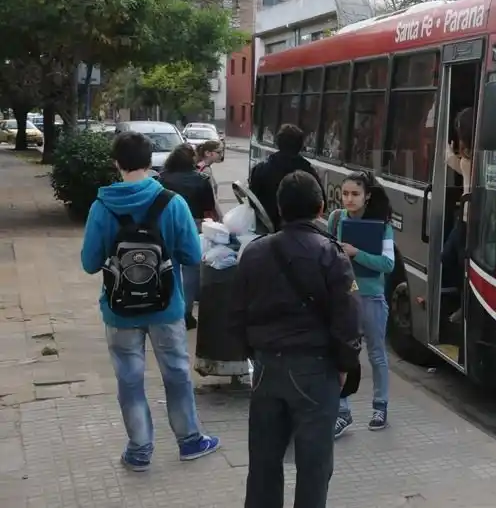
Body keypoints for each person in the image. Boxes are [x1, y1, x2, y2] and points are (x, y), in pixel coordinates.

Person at [80, 131, 220, 471]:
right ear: (149, 161)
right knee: (176, 373)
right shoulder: (172, 203)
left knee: (129, 379)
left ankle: (139, 450)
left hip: (119, 309)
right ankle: (189, 440)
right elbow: (191, 255)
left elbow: (89, 263)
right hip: (166, 306)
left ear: (116, 163)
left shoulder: (102, 207)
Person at [228, 170, 362, 508]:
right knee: (314, 465)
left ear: (279, 208)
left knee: (263, 462)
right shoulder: (331, 254)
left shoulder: (254, 253)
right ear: (320, 208)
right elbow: (347, 320)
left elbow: (237, 313)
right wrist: (345, 366)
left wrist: (255, 354)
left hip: (267, 367)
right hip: (316, 370)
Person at [326, 171, 395, 436]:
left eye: (355, 194)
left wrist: (356, 253)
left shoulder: (382, 226)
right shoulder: (336, 219)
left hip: (371, 297)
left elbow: (387, 264)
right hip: (343, 296)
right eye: (345, 194)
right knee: (341, 353)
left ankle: (380, 407)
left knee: (376, 354)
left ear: (367, 196)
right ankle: (342, 412)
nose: (349, 199)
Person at [157, 144, 218, 330]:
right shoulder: (201, 179)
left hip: (167, 225)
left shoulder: (162, 179)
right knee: (191, 270)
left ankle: (167, 305)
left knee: (167, 266)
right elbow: (209, 208)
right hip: (194, 225)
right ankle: (186, 313)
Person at [249, 124, 324, 232]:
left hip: (265, 231)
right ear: (300, 145)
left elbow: (252, 201)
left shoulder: (261, 169)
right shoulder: (309, 171)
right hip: (301, 233)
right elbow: (322, 202)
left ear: (278, 143)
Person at [443, 107, 474, 324]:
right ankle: (463, 303)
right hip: (462, 218)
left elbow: (457, 165)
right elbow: (456, 165)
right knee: (448, 257)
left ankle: (466, 307)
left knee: (463, 264)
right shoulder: (469, 155)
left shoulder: (477, 157)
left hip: (471, 220)